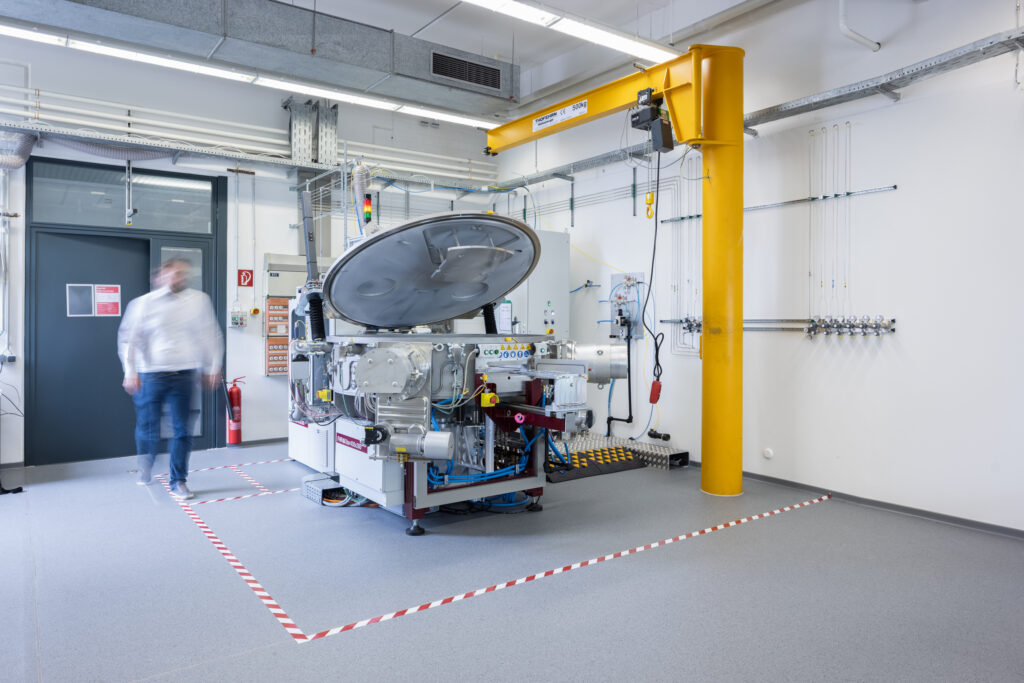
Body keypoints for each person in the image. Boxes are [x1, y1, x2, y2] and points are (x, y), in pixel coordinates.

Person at [118, 258, 223, 499]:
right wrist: (130, 371)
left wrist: (213, 366)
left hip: (184, 374)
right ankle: (146, 465)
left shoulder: (199, 301)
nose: (179, 278)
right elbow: (129, 340)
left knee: (182, 430)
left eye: (183, 273)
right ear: (159, 277)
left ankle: (179, 480)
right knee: (148, 429)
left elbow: (210, 335)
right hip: (150, 375)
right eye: (174, 273)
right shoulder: (143, 304)